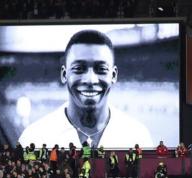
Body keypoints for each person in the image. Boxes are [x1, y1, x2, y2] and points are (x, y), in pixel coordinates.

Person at [18, 30, 153, 148]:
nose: (90, 80)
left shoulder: (139, 137)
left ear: (113, 75)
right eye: (79, 69)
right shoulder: (33, 139)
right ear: (64, 75)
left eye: (101, 69)